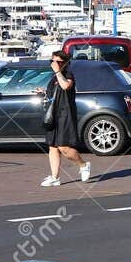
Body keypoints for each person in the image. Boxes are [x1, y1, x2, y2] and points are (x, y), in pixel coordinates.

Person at [42, 50, 89, 186]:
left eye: (58, 62)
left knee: (64, 147)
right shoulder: (53, 77)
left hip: (65, 114)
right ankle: (54, 177)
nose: (54, 64)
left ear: (65, 63)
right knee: (53, 147)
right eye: (52, 61)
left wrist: (58, 72)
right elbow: (55, 93)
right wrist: (43, 91)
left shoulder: (68, 74)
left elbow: (65, 86)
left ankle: (83, 165)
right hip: (54, 114)